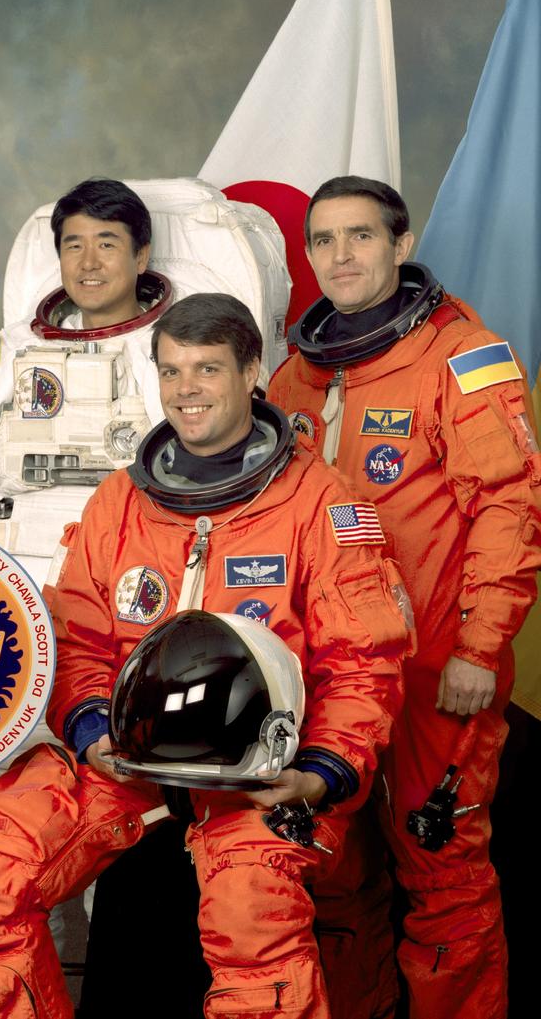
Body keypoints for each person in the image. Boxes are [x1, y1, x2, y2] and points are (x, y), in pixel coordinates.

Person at [0, 293, 410, 1019]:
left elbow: (363, 661)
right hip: (131, 762)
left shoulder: (321, 502)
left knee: (251, 906)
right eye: (171, 370)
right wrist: (93, 731)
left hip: (261, 771)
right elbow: (84, 640)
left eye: (207, 369)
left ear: (254, 370)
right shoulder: (121, 501)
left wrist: (320, 772)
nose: (186, 390)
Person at [268, 176, 541, 1019]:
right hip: (327, 678)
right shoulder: (294, 379)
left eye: (359, 236)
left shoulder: (461, 357)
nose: (340, 256)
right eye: (323, 240)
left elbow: (510, 507)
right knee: (335, 877)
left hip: (432, 668)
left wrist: (479, 648)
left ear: (401, 241)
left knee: (441, 872)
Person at [0, 178, 168, 587]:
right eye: (74, 246)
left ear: (141, 257)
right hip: (19, 574)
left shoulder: (177, 349)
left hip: (137, 567)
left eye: (107, 244)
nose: (88, 263)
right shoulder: (18, 346)